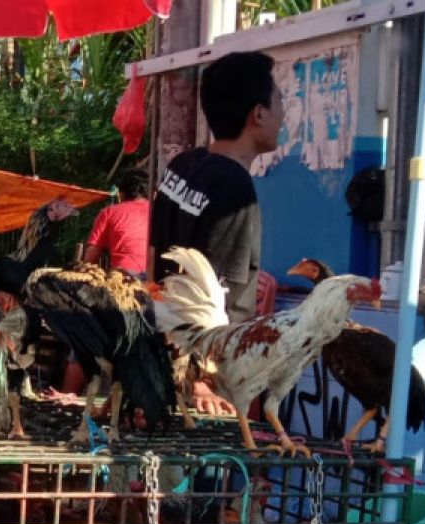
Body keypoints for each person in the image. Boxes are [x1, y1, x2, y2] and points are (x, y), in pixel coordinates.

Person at [149, 51, 283, 415]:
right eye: (279, 101)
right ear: (257, 114)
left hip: (158, 352)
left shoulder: (183, 165)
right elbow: (218, 300)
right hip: (204, 384)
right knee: (195, 471)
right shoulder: (235, 188)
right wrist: (203, 382)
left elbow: (153, 264)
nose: (283, 114)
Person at [84, 169, 150, 275]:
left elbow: (92, 253)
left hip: (123, 278)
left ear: (121, 194)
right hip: (158, 278)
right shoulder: (160, 212)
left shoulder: (109, 212)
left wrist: (81, 273)